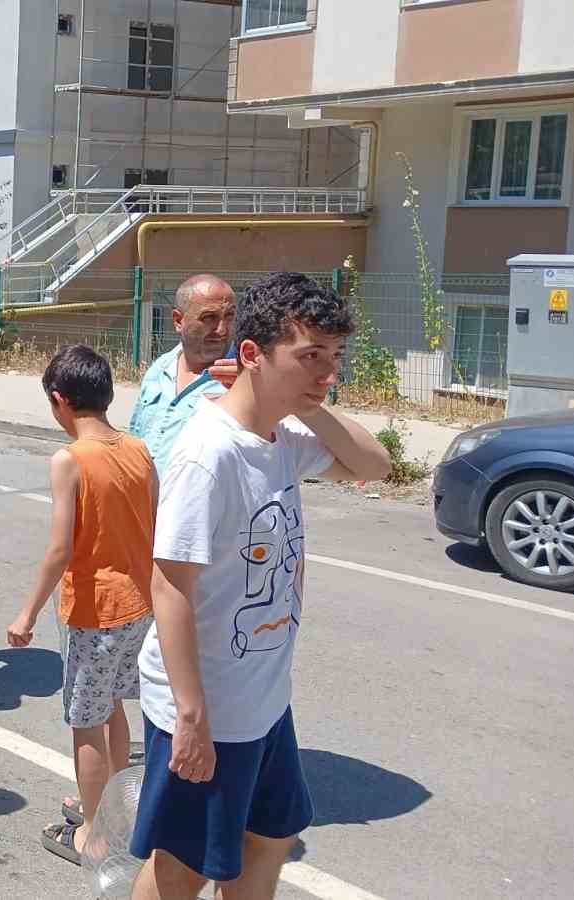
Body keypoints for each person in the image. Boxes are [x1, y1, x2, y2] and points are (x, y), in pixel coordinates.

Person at [130, 273, 391, 900]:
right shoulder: (209, 454)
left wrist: (310, 399)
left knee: (271, 836)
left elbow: (375, 465)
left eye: (333, 358)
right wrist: (191, 717)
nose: (327, 372)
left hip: (263, 700)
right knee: (183, 867)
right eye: (309, 357)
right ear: (252, 354)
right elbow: (169, 587)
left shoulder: (284, 437)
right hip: (210, 708)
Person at [6, 346, 157, 866]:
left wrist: (26, 614)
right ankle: (113, 810)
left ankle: (94, 833)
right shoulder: (138, 449)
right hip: (139, 604)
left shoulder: (70, 459)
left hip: (96, 612)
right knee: (113, 707)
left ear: (58, 401)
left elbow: (60, 548)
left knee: (86, 722)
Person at [130, 274, 240, 473]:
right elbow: (137, 439)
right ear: (178, 320)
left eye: (229, 316)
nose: (222, 330)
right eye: (209, 318)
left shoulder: (246, 381)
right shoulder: (159, 370)